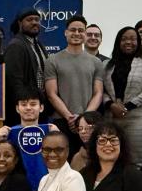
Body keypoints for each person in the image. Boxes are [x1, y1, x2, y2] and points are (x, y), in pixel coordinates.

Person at [43, 15, 104, 154]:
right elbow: (51, 94)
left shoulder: (96, 62)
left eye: (81, 30)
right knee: (61, 160)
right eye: (73, 30)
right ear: (66, 32)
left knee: (87, 161)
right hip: (62, 121)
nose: (76, 33)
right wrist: (69, 117)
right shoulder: (52, 60)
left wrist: (84, 117)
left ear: (85, 34)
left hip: (88, 123)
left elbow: (98, 93)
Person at [103, 26, 142, 168]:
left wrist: (128, 106)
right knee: (110, 160)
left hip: (139, 120)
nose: (129, 42)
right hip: (112, 118)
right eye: (124, 39)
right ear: (118, 42)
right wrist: (111, 105)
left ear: (138, 42)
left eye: (133, 39)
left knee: (136, 163)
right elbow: (101, 90)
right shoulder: (107, 65)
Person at [0, 89, 57, 191]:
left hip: (48, 189)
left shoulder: (51, 130)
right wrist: (0, 140)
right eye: (24, 104)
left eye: (33, 104)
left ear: (41, 107)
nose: (28, 108)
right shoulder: (8, 133)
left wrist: (57, 137)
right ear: (17, 108)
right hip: (17, 190)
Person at [4, 8, 48, 126]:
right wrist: (24, 106)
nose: (34, 22)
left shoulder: (38, 45)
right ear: (20, 23)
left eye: (37, 20)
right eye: (29, 20)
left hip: (38, 108)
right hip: (23, 112)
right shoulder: (16, 45)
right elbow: (14, 81)